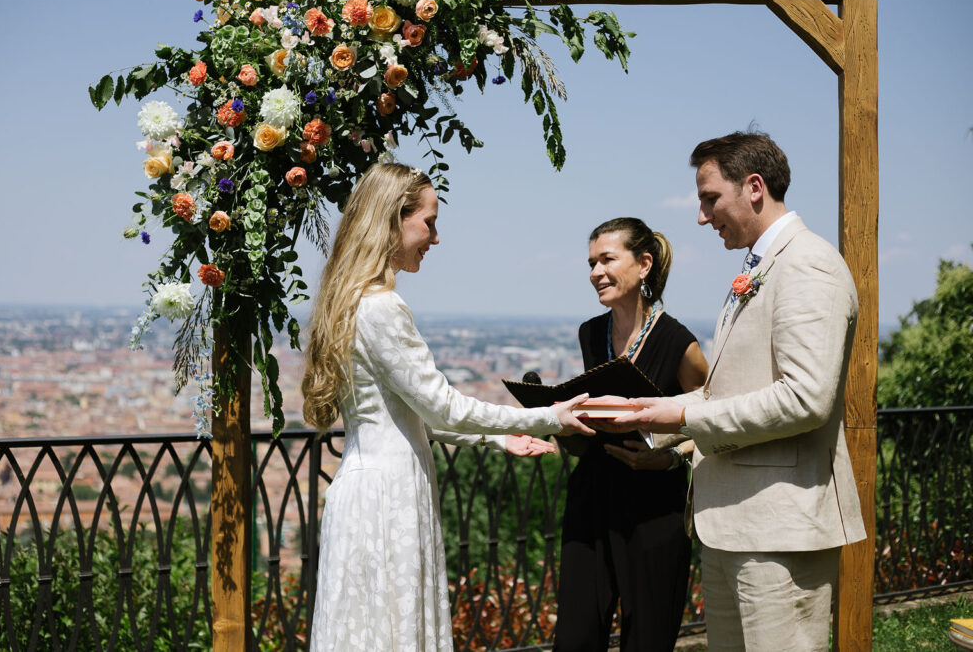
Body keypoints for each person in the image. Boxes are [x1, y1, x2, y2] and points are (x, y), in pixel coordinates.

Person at [302, 162, 595, 651]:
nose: (434, 238)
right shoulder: (383, 307)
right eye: (429, 222)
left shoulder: (350, 301)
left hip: (365, 489)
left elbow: (408, 415)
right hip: (388, 498)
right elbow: (444, 408)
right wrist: (549, 416)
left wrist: (498, 436)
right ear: (394, 219)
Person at [609, 132, 866, 651]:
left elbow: (805, 399)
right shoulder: (758, 268)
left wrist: (682, 421)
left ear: (753, 187)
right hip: (733, 526)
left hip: (780, 531)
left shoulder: (807, 265)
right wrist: (646, 409)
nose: (703, 217)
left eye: (710, 198)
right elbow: (728, 390)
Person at [553, 217, 709, 651]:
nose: (595, 272)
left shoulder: (678, 341)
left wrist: (670, 457)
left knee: (648, 638)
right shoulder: (591, 333)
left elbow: (710, 414)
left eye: (606, 259)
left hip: (654, 505)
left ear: (644, 264)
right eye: (591, 263)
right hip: (592, 497)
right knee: (575, 636)